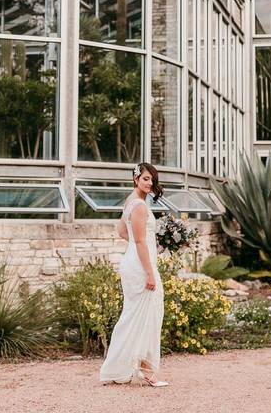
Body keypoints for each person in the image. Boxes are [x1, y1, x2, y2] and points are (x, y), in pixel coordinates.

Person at [99, 162, 168, 387]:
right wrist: (149, 272)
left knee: (134, 315)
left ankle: (122, 368)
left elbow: (122, 231)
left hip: (134, 261)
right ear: (136, 179)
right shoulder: (138, 206)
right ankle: (147, 371)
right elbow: (138, 240)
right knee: (149, 314)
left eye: (152, 180)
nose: (149, 183)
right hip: (140, 267)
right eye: (146, 179)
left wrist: (147, 245)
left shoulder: (130, 201)